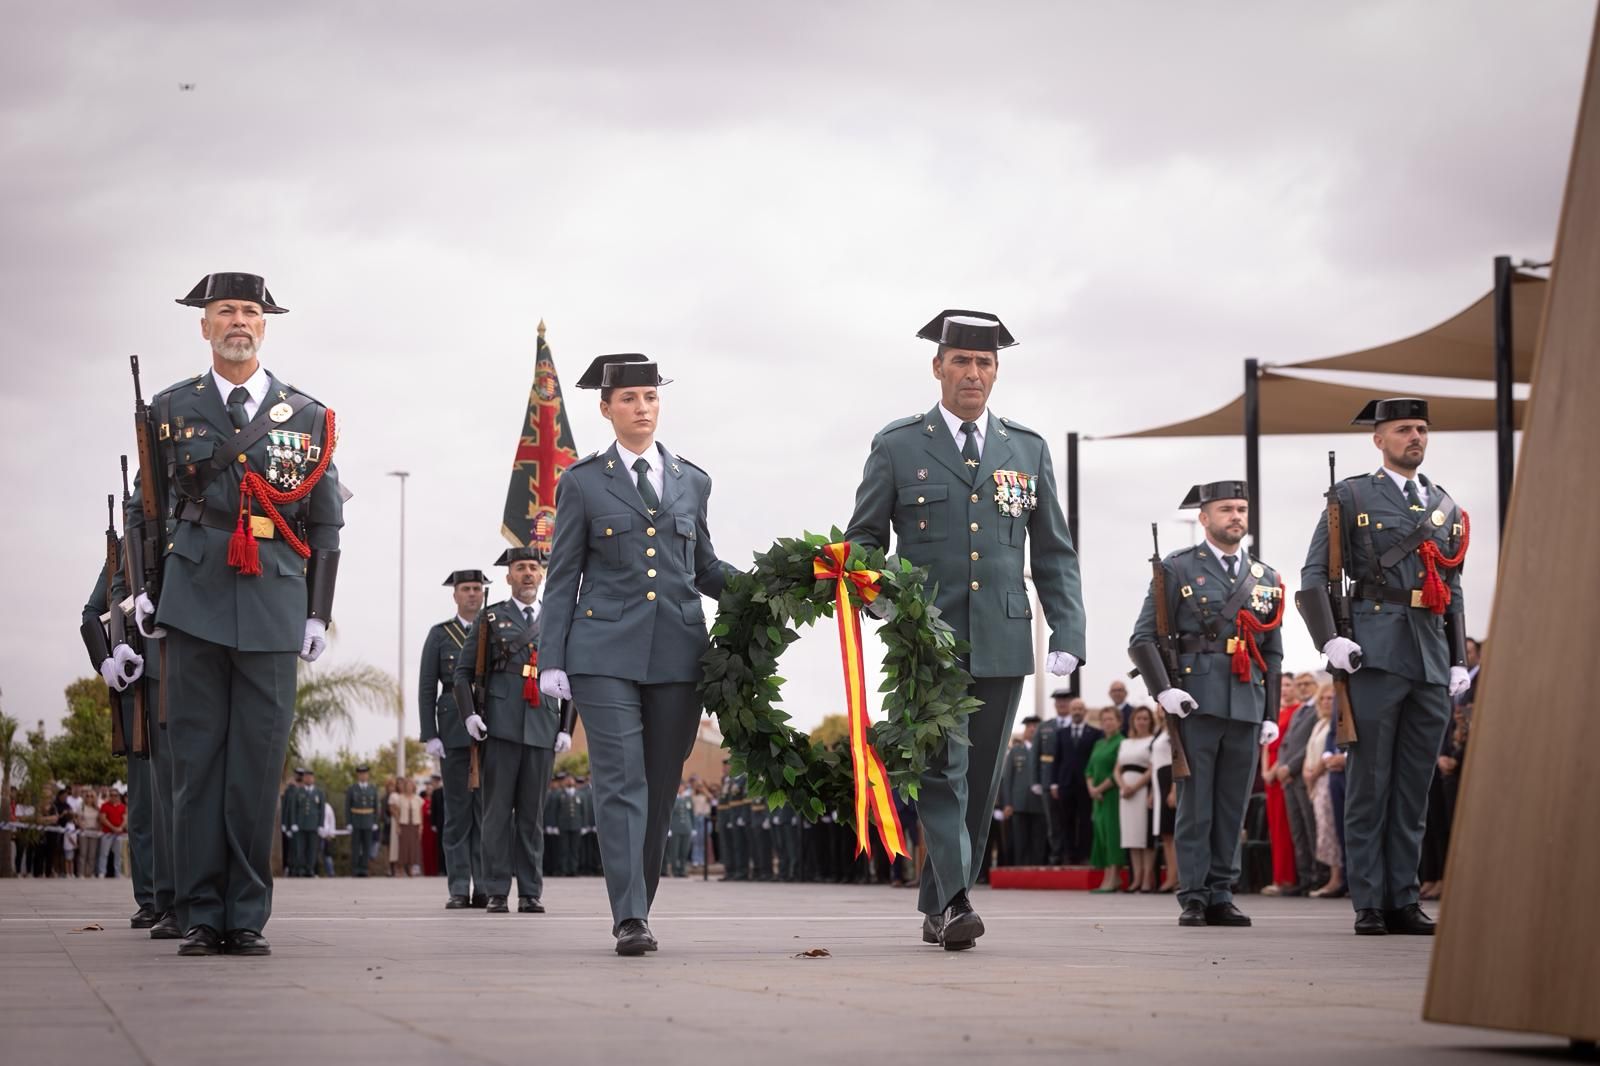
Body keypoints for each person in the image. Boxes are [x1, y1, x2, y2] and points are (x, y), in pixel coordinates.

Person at [844, 310, 1085, 951]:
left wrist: (1068, 632)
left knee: (980, 782)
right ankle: (955, 902)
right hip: (928, 640)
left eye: (984, 363)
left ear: (996, 372)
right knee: (942, 773)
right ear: (938, 367)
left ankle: (937, 903)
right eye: (961, 361)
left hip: (1004, 637)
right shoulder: (898, 444)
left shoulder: (1026, 448)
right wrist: (883, 601)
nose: (972, 373)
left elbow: (1054, 551)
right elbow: (863, 540)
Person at [128, 272, 344, 957]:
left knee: (254, 766)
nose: (238, 321)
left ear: (264, 325)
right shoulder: (170, 409)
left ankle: (245, 914)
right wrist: (142, 587)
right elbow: (147, 507)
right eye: (226, 311)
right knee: (196, 763)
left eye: (250, 311)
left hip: (275, 600)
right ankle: (199, 912)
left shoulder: (308, 416)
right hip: (192, 600)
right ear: (205, 326)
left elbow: (328, 524)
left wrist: (317, 613)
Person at [537, 354, 733, 955]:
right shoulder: (582, 481)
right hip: (602, 653)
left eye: (649, 397)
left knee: (659, 784)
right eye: (628, 399)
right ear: (606, 408)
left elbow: (703, 568)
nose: (641, 408)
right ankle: (627, 916)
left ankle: (638, 904)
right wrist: (552, 658)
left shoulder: (692, 480)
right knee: (620, 783)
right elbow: (562, 572)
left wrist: (773, 585)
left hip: (677, 652)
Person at [1298, 397, 1470, 936]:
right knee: (1370, 781)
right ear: (1379, 439)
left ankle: (1404, 898)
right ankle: (1369, 899)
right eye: (1403, 429)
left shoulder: (1445, 505)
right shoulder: (1350, 495)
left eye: (1421, 429)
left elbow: (1454, 586)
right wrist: (1330, 640)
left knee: (1414, 785)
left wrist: (1459, 657)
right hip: (1373, 649)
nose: (1415, 437)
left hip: (1429, 655)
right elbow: (1313, 577)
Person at [1129, 480, 1284, 926]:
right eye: (1225, 510)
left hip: (1247, 703)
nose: (1236, 516)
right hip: (1196, 702)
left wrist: (1271, 712)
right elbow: (1142, 638)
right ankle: (1194, 894)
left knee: (1232, 806)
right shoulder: (1176, 569)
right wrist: (1165, 690)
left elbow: (1271, 651)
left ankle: (1222, 891)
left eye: (1241, 509)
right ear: (1204, 518)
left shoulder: (1266, 577)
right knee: (1197, 806)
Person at [455, 547, 574, 914]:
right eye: (520, 568)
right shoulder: (491, 618)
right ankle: (495, 889)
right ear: (508, 576)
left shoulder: (557, 618)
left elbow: (571, 675)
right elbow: (462, 673)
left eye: (533, 568)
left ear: (542, 576)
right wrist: (470, 715)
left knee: (532, 816)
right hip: (501, 727)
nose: (527, 574)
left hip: (542, 727)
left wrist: (566, 725)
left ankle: (530, 892)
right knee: (495, 813)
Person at [420, 569, 489, 908]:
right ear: (455, 595)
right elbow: (426, 686)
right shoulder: (440, 634)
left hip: (490, 728)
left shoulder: (494, 630)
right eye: (466, 589)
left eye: (477, 588)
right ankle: (459, 887)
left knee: (487, 813)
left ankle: (486, 887)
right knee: (458, 814)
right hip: (451, 731)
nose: (473, 594)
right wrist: (429, 734)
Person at [1278, 673, 1324, 894]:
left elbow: (1308, 746)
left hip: (1302, 775)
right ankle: (1305, 876)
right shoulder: (1299, 712)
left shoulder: (1317, 711)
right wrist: (1281, 765)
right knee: (1298, 830)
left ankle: (1319, 875)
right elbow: (1285, 742)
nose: (1303, 688)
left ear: (1315, 685)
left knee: (1311, 826)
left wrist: (1290, 767)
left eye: (1307, 684)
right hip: (1289, 779)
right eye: (1300, 684)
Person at [1049, 695, 1101, 864]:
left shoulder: (1094, 733)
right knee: (1066, 820)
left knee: (1085, 820)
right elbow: (1056, 759)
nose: (1077, 712)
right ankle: (1069, 855)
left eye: (1080, 709)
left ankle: (1084, 854)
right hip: (1065, 784)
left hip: (1085, 784)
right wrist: (1054, 783)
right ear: (1070, 712)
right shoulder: (1061, 733)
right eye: (1074, 709)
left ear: (1085, 711)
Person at [1303, 683, 1344, 897]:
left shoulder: (1333, 725)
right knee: (1323, 829)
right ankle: (1331, 876)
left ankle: (1337, 878)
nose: (1327, 702)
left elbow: (1322, 759)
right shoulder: (1320, 724)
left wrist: (1315, 773)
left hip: (1327, 778)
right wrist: (1307, 775)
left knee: (1331, 830)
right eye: (1324, 699)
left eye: (1331, 698)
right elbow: (1309, 752)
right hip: (1315, 783)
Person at [1115, 707, 1157, 892]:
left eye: (1145, 718)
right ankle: (1136, 878)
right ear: (1133, 721)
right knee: (1131, 837)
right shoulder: (1125, 742)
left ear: (1150, 721)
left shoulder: (1152, 741)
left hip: (1142, 789)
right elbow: (1117, 769)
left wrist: (1136, 786)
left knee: (1144, 837)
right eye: (1138, 718)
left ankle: (1147, 878)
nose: (1141, 722)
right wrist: (1123, 785)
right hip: (1125, 792)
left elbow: (1152, 767)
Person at [1085, 707, 1125, 892]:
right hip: (1097, 798)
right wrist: (1092, 789)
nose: (1108, 722)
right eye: (1105, 719)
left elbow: (1118, 771)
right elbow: (1089, 770)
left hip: (1112, 795)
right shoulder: (1098, 744)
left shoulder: (1122, 742)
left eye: (1111, 719)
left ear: (1119, 722)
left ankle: (1113, 878)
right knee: (1100, 835)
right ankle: (1107, 877)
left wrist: (1100, 789)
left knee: (1112, 835)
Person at [998, 718, 1045, 866]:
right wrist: (1007, 804)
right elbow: (1008, 780)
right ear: (1025, 730)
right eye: (1029, 726)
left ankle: (1038, 870)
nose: (1032, 729)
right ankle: (1021, 870)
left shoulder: (1044, 749)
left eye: (1035, 726)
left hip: (1040, 803)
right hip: (1019, 804)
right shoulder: (1015, 751)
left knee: (1039, 840)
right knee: (1020, 840)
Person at [1033, 690, 1072, 864]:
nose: (1062, 704)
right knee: (1052, 821)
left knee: (1072, 818)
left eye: (1066, 701)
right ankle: (1056, 853)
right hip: (1048, 779)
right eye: (1059, 701)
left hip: (1070, 779)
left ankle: (1071, 852)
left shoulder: (1076, 724)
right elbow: (1035, 755)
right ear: (1055, 704)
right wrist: (1035, 781)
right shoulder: (1044, 726)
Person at [1150, 707, 1177, 892]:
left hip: (1169, 779)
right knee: (1166, 835)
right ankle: (1171, 875)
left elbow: (1177, 759)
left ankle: (1175, 877)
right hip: (1158, 781)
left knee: (1172, 833)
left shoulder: (1174, 729)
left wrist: (1174, 789)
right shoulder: (1160, 731)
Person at [345, 765, 380, 878]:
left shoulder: (372, 789)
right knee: (355, 847)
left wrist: (375, 821)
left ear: (368, 775)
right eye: (361, 774)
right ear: (358, 775)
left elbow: (376, 807)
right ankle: (355, 869)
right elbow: (347, 807)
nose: (363, 776)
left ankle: (364, 869)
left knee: (367, 846)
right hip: (356, 820)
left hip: (368, 820)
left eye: (365, 774)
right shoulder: (352, 789)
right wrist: (348, 822)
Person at [292, 770, 326, 877]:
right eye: (306, 777)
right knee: (300, 849)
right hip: (301, 824)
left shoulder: (319, 793)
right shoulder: (298, 792)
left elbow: (322, 810)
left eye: (310, 777)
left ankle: (310, 869)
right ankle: (300, 869)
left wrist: (320, 825)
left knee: (312, 849)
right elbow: (293, 809)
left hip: (314, 825)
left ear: (313, 779)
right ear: (303, 779)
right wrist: (293, 823)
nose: (308, 779)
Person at [387, 777, 423, 876]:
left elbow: (420, 813)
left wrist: (421, 826)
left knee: (413, 847)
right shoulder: (400, 798)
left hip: (415, 824)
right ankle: (400, 868)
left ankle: (411, 868)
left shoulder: (418, 799)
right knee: (403, 847)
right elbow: (397, 813)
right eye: (407, 786)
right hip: (404, 824)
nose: (409, 787)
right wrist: (398, 825)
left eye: (411, 786)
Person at [667, 781, 694, 877]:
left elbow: (691, 814)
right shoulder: (673, 798)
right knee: (675, 851)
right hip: (675, 828)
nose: (681, 788)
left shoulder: (688, 799)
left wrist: (693, 828)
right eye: (679, 786)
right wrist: (668, 828)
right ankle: (675, 870)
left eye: (682, 787)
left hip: (687, 828)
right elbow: (669, 813)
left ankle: (682, 870)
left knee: (684, 851)